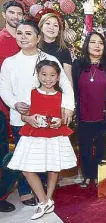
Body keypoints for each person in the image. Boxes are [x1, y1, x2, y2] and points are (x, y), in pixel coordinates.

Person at [0, 19, 74, 207]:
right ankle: (25, 192)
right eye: (19, 33)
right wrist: (15, 104)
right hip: (22, 119)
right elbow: (4, 89)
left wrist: (68, 107)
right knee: (24, 157)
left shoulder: (48, 59)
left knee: (44, 157)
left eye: (28, 33)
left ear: (37, 37)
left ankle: (42, 193)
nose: (23, 37)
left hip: (48, 120)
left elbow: (65, 85)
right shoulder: (10, 62)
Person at [7, 59, 77, 220]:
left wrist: (59, 121)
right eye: (44, 75)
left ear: (58, 77)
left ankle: (48, 199)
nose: (48, 79)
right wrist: (29, 118)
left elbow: (63, 117)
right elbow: (24, 114)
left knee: (54, 167)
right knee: (27, 169)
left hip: (54, 136)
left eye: (52, 75)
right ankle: (43, 200)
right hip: (34, 136)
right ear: (38, 75)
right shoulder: (31, 93)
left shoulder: (62, 96)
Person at [72, 31, 106, 187]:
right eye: (93, 42)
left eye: (100, 43)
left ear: (105, 47)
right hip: (84, 113)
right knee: (85, 145)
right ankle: (87, 175)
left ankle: (98, 175)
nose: (97, 46)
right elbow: (71, 87)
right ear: (87, 45)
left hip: (105, 114)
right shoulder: (78, 65)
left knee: (102, 146)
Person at [0, 0, 29, 212]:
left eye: (19, 12)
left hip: (23, 110)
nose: (15, 16)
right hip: (2, 108)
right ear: (4, 14)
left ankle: (23, 191)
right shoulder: (1, 39)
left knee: (22, 150)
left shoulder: (26, 40)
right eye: (11, 12)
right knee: (3, 152)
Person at [38, 12, 73, 84]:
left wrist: (70, 94)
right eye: (48, 23)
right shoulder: (33, 47)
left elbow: (68, 77)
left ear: (59, 30)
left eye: (55, 25)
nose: (51, 27)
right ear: (41, 26)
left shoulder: (64, 50)